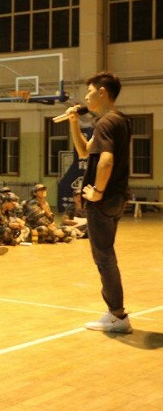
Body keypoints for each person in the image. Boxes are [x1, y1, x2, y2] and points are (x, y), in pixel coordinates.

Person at [63, 71, 132, 333]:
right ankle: (115, 312)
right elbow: (84, 151)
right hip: (118, 197)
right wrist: (74, 122)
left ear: (102, 92)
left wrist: (98, 191)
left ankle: (117, 315)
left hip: (104, 200)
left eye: (89, 92)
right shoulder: (119, 120)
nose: (86, 97)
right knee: (106, 254)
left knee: (104, 257)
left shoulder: (105, 122)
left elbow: (106, 161)